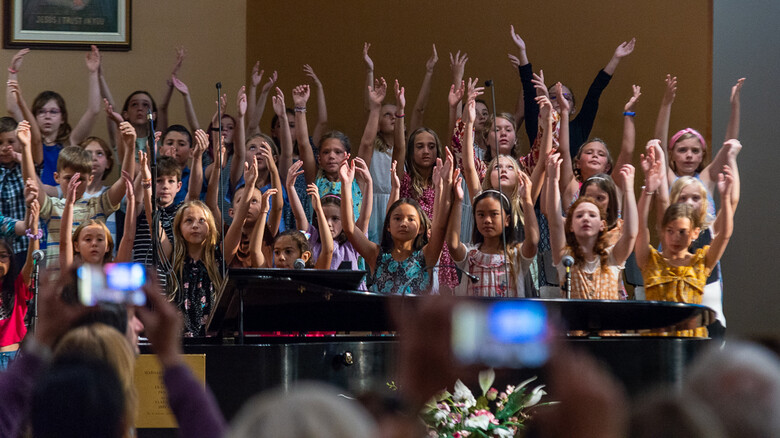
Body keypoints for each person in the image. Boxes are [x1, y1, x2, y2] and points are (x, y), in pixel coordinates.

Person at [635, 142, 736, 336]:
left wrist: (725, 197)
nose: (675, 237)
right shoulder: (650, 261)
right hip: (657, 343)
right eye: (670, 231)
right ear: (662, 231)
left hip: (692, 344)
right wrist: (648, 190)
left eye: (682, 232)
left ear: (695, 233)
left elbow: (724, 235)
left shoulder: (701, 262)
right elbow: (640, 229)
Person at [20, 119, 134, 273]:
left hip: (90, 285)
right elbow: (31, 182)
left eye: (80, 179)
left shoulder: (97, 205)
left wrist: (130, 147)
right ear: (56, 177)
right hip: (58, 285)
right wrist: (26, 147)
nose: (74, 184)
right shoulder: (52, 206)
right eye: (68, 179)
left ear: (90, 179)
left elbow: (124, 181)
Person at [510, 25, 635, 157]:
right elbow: (530, 92)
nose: (560, 100)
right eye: (554, 96)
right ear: (545, 100)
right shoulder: (537, 124)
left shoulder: (580, 127)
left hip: (572, 177)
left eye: (565, 97)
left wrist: (615, 58)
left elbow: (594, 93)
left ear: (573, 108)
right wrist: (522, 52)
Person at [343, 150, 453, 295]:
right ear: (388, 226)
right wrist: (346, 185)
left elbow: (440, 226)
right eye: (397, 218)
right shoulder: (376, 255)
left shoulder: (427, 255)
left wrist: (444, 185)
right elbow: (349, 229)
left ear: (421, 228)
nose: (403, 223)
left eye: (411, 219)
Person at [544, 152, 637, 300]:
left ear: (602, 225)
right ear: (571, 225)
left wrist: (630, 190)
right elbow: (555, 223)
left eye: (592, 215)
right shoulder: (565, 257)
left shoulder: (612, 257)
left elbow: (631, 233)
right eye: (579, 215)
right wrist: (553, 180)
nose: (586, 218)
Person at [6, 46, 102, 189]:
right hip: (35, 201)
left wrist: (93, 73)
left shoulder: (70, 143)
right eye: (42, 112)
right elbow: (12, 108)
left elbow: (93, 110)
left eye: (53, 112)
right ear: (34, 116)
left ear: (62, 117)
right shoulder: (30, 140)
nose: (47, 116)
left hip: (61, 203)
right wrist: (13, 73)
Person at [447, 184, 539, 297]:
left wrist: (526, 199)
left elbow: (533, 242)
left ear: (507, 220)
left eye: (494, 214)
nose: (487, 220)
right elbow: (453, 245)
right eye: (481, 214)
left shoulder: (516, 256)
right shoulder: (470, 256)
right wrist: (458, 200)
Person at [287, 158, 370, 272]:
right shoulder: (312, 238)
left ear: (344, 220)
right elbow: (299, 217)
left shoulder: (352, 242)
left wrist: (369, 183)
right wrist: (290, 187)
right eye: (324, 217)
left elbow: (365, 218)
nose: (328, 223)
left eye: (335, 218)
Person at [0, 184, 39, 371]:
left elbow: (31, 262)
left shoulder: (17, 287)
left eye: (2, 257)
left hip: (11, 359)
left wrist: (35, 227)